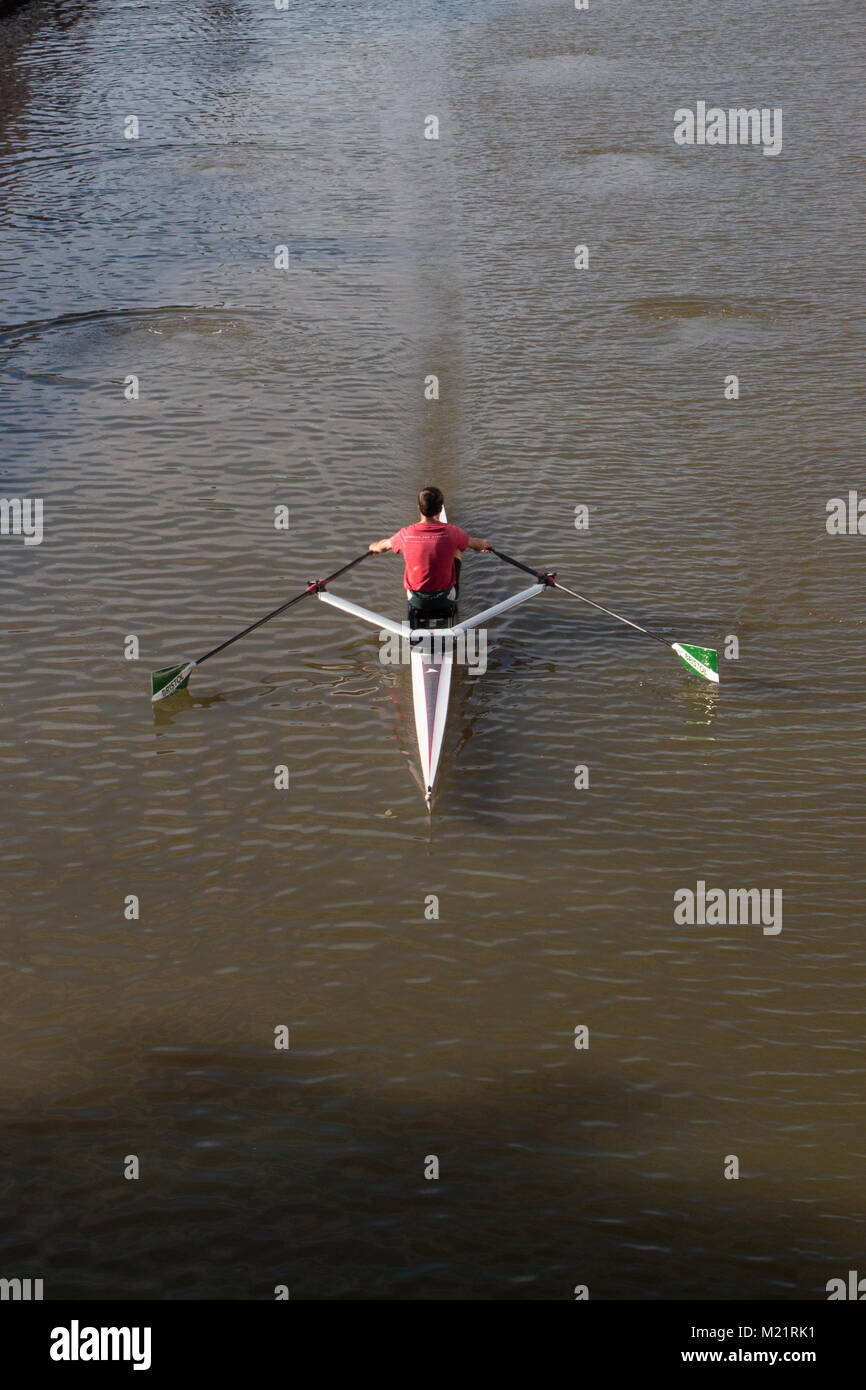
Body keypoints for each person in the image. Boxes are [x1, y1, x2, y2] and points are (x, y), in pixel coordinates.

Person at [369, 487, 492, 626]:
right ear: (440, 510)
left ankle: (416, 631)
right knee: (457, 549)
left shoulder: (405, 534)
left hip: (417, 602)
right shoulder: (453, 532)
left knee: (409, 552)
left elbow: (383, 546)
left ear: (419, 508)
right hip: (444, 599)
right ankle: (451, 619)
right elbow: (475, 544)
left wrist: (374, 547)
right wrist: (485, 545)